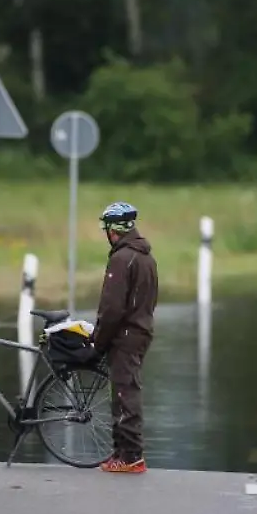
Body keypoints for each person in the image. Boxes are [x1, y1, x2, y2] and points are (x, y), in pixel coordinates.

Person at [91, 201, 158, 474]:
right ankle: (122, 453)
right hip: (141, 331)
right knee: (124, 389)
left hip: (126, 336)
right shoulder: (145, 257)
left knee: (124, 392)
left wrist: (97, 342)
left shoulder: (121, 259)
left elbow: (112, 308)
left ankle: (130, 456)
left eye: (106, 227)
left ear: (113, 229)